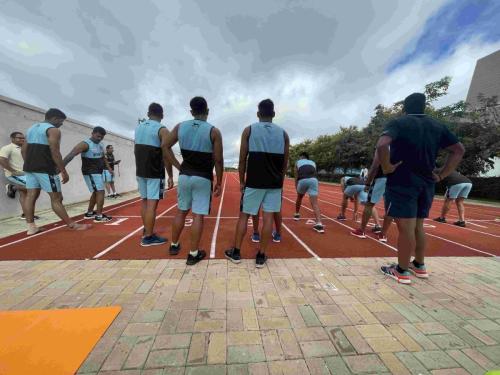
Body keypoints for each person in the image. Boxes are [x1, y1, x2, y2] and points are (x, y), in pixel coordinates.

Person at [377, 92, 464, 284]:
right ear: (423, 107)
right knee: (418, 225)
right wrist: (442, 174)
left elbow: (382, 144)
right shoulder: (437, 126)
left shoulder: (399, 123)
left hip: (402, 181)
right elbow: (459, 150)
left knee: (405, 228)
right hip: (426, 183)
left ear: (405, 107)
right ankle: (419, 265)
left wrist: (386, 167)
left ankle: (401, 270)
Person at [225, 99, 290, 268]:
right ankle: (261, 255)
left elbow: (242, 160)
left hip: (254, 182)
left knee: (244, 216)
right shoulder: (284, 134)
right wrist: (280, 182)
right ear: (273, 114)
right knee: (268, 218)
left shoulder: (249, 130)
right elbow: (285, 163)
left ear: (258, 114)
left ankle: (237, 252)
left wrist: (241, 182)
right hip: (274, 183)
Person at [164, 97, 223, 265]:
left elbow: (164, 146)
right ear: (208, 111)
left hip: (185, 175)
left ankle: (174, 245)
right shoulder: (214, 131)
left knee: (181, 211)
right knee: (198, 215)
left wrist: (178, 166)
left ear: (191, 112)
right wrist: (219, 181)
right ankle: (193, 253)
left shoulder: (180, 127)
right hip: (203, 177)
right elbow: (218, 160)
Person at [22, 108, 91, 235]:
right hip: (45, 168)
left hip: (29, 167)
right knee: (57, 198)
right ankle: (72, 225)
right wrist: (63, 170)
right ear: (54, 118)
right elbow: (55, 151)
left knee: (31, 196)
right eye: (61, 121)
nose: (61, 124)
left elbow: (24, 149)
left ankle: (31, 227)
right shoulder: (53, 130)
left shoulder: (31, 128)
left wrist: (28, 163)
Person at [134, 103, 174, 246]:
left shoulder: (138, 127)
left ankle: (146, 231)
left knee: (144, 202)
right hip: (154, 171)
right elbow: (166, 154)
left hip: (141, 170)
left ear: (148, 113)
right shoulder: (162, 130)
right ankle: (149, 237)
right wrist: (170, 175)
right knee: (152, 205)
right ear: (162, 115)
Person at [63, 126, 113, 223]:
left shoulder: (101, 145)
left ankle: (89, 213)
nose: (99, 139)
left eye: (101, 137)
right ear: (93, 133)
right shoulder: (85, 144)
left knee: (96, 192)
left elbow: (103, 158)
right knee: (100, 192)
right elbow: (71, 155)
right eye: (98, 136)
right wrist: (61, 168)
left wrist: (109, 168)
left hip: (98, 172)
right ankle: (99, 216)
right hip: (90, 172)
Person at [0, 132, 41, 220]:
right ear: (12, 139)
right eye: (19, 138)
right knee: (34, 188)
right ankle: (13, 187)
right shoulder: (8, 148)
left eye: (23, 138)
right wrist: (12, 171)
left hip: (26, 174)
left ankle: (26, 214)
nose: (22, 139)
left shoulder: (25, 148)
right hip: (15, 175)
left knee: (24, 194)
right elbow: (2, 159)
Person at [350, 149, 386, 238]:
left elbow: (374, 167)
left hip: (381, 179)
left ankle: (361, 230)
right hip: (395, 181)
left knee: (369, 204)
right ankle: (382, 234)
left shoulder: (381, 149)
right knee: (390, 207)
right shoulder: (398, 150)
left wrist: (367, 183)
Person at [293, 152, 324, 233]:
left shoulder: (297, 162)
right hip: (314, 180)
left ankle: (296, 214)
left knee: (299, 197)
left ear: (302, 157)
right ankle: (319, 223)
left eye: (300, 157)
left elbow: (296, 175)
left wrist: (296, 186)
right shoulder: (313, 163)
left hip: (303, 180)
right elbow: (313, 172)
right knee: (315, 203)